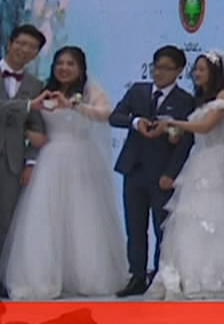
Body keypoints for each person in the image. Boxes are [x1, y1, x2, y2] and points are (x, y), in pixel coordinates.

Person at [0, 45, 121, 300]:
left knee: (83, 217)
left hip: (81, 159)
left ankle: (86, 277)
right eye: (60, 63)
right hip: (49, 160)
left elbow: (106, 114)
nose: (64, 68)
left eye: (70, 64)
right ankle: (42, 277)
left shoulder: (90, 91)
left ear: (81, 68)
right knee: (45, 217)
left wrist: (75, 106)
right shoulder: (43, 90)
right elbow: (27, 122)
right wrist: (29, 134)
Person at [150, 51, 224, 300]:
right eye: (196, 69)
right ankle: (189, 273)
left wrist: (174, 123)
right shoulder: (200, 100)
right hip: (199, 160)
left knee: (217, 217)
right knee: (190, 218)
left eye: (202, 69)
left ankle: (216, 276)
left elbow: (206, 126)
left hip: (217, 161)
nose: (197, 74)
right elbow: (195, 131)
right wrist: (174, 133)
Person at [108, 44, 196, 295]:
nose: (159, 73)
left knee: (162, 227)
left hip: (161, 173)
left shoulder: (185, 100)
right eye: (156, 67)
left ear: (179, 71)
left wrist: (172, 173)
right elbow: (115, 117)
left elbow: (186, 141)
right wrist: (135, 122)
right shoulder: (138, 91)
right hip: (134, 168)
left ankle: (160, 274)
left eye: (166, 68)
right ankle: (136, 274)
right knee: (135, 227)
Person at [0, 24, 47, 297]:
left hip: (12, 163)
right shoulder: (32, 97)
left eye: (32, 47)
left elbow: (38, 129)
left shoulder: (35, 85)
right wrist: (27, 106)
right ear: (10, 43)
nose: (25, 50)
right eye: (21, 43)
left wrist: (30, 163)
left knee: (6, 222)